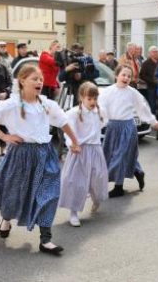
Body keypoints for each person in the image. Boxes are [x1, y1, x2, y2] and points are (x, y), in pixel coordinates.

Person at [0, 64, 81, 255]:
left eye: (41, 79)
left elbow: (63, 121)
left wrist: (74, 142)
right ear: (22, 81)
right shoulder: (11, 104)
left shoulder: (46, 104)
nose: (39, 82)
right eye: (35, 79)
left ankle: (45, 239)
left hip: (45, 154)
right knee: (14, 193)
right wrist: (5, 137)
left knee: (48, 194)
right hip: (20, 155)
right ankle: (7, 218)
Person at [99, 65, 157, 198]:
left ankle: (118, 187)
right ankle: (138, 171)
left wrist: (153, 121)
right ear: (116, 75)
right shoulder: (107, 91)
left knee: (120, 157)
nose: (126, 78)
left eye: (129, 76)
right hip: (112, 127)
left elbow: (142, 108)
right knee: (112, 155)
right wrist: (99, 122)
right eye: (123, 75)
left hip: (127, 128)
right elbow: (101, 108)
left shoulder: (133, 93)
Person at [59, 82, 109, 227]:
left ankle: (96, 199)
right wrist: (72, 144)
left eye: (95, 99)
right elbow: (69, 132)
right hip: (79, 151)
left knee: (97, 178)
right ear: (81, 97)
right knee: (76, 182)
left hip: (95, 150)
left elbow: (103, 122)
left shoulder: (99, 112)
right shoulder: (73, 113)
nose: (93, 102)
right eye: (89, 99)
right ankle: (73, 213)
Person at [139, 46, 158, 114]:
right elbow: (142, 75)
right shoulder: (146, 63)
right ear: (149, 53)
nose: (155, 53)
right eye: (154, 52)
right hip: (151, 87)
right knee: (152, 105)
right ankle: (152, 120)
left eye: (156, 51)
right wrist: (151, 81)